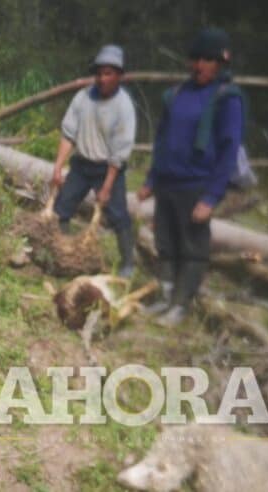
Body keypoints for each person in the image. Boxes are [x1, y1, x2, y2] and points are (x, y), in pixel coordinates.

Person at [137, 28, 244, 327]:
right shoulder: (177, 95)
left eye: (207, 60)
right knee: (165, 242)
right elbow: (162, 141)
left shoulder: (226, 99)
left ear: (220, 63)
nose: (199, 66)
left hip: (196, 186)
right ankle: (164, 296)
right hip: (167, 183)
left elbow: (229, 151)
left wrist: (211, 197)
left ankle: (181, 304)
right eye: (195, 59)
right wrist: (151, 180)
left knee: (192, 248)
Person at [50, 44, 138, 278]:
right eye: (99, 73)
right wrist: (58, 167)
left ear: (119, 76)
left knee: (118, 215)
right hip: (81, 165)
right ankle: (63, 252)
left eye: (108, 74)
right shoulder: (83, 97)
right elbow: (68, 134)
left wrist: (107, 187)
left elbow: (120, 151)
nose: (102, 79)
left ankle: (128, 264)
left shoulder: (124, 106)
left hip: (109, 168)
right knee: (62, 207)